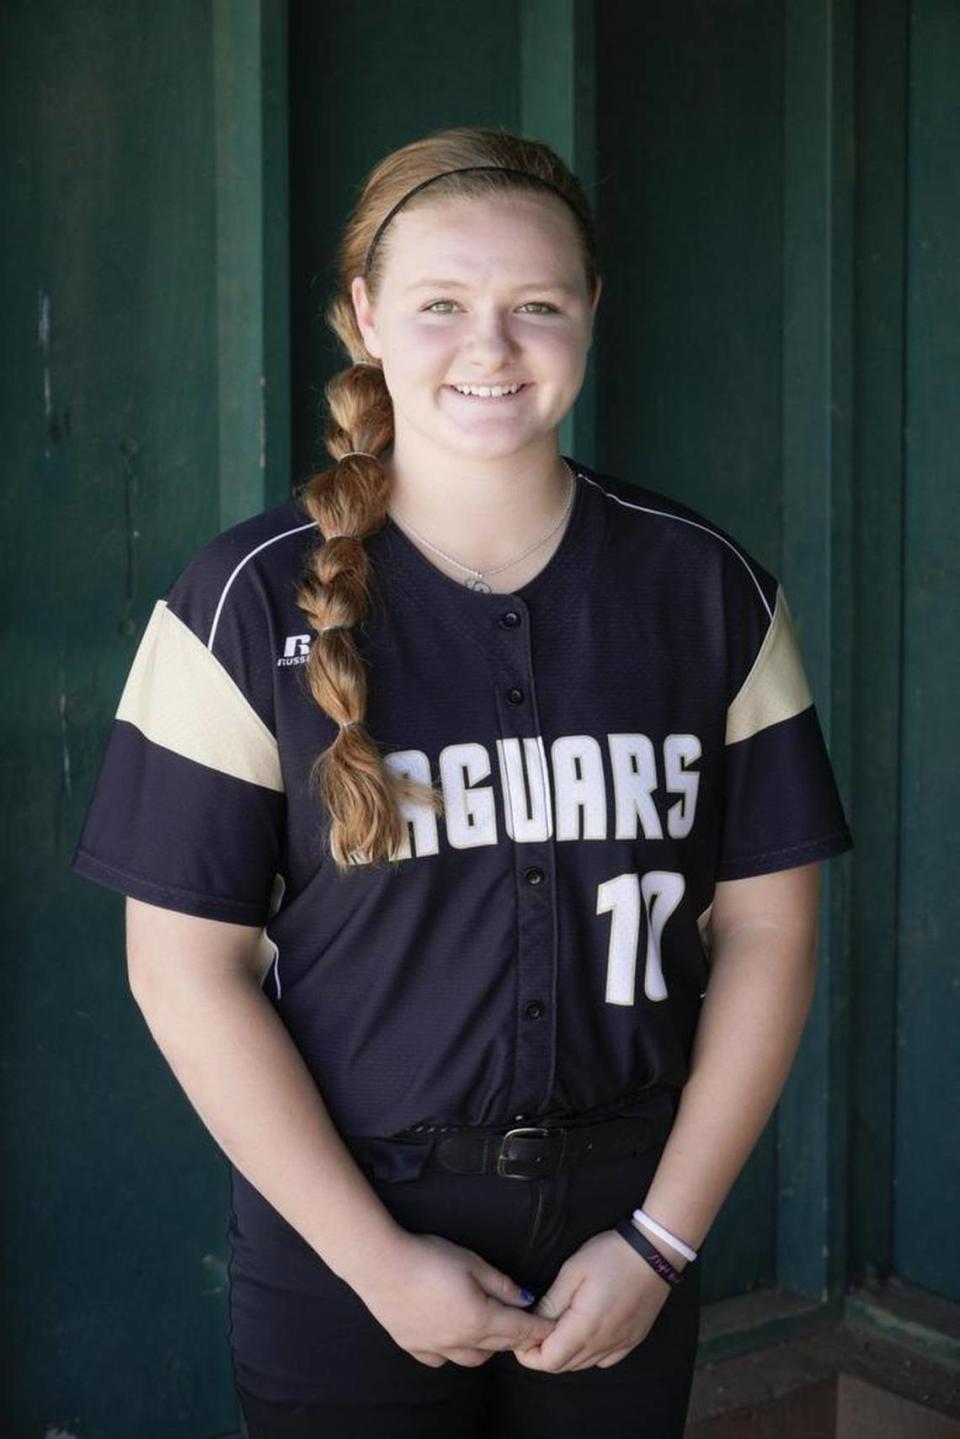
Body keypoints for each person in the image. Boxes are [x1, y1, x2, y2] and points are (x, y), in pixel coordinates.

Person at [70, 125, 853, 1438]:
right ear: (368, 316)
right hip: (347, 1236)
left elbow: (771, 930)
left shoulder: (706, 587)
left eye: (536, 307)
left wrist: (660, 1242)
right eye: (441, 305)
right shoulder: (242, 599)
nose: (490, 350)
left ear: (590, 315)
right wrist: (377, 1265)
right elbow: (182, 966)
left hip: (624, 1224)